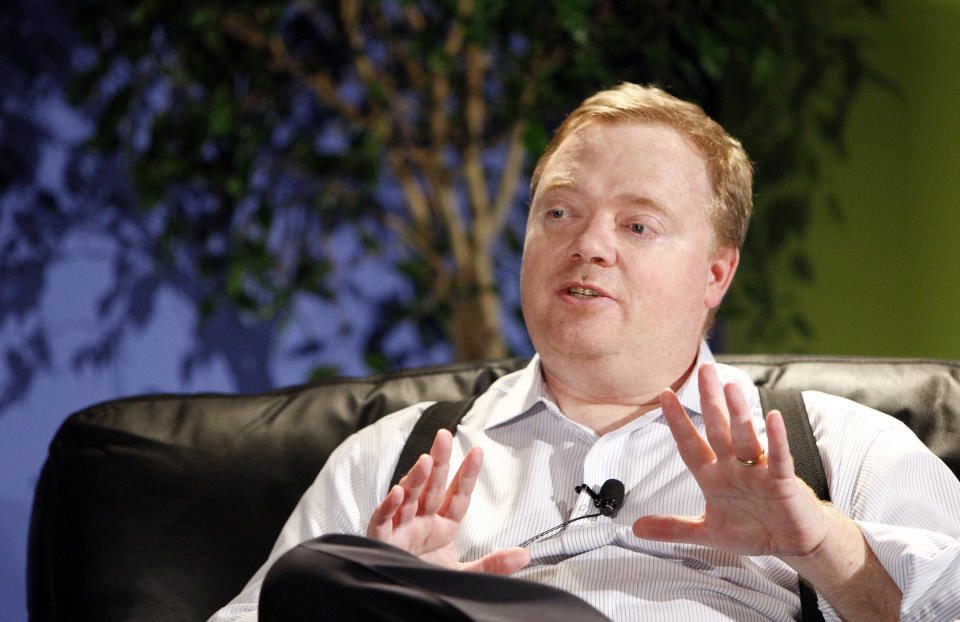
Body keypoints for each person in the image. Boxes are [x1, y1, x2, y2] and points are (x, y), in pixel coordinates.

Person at [210, 83, 960, 622]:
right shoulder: (395, 460)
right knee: (320, 571)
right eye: (560, 213)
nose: (588, 246)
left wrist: (825, 545)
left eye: (638, 226)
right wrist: (393, 597)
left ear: (715, 273)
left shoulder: (836, 448)